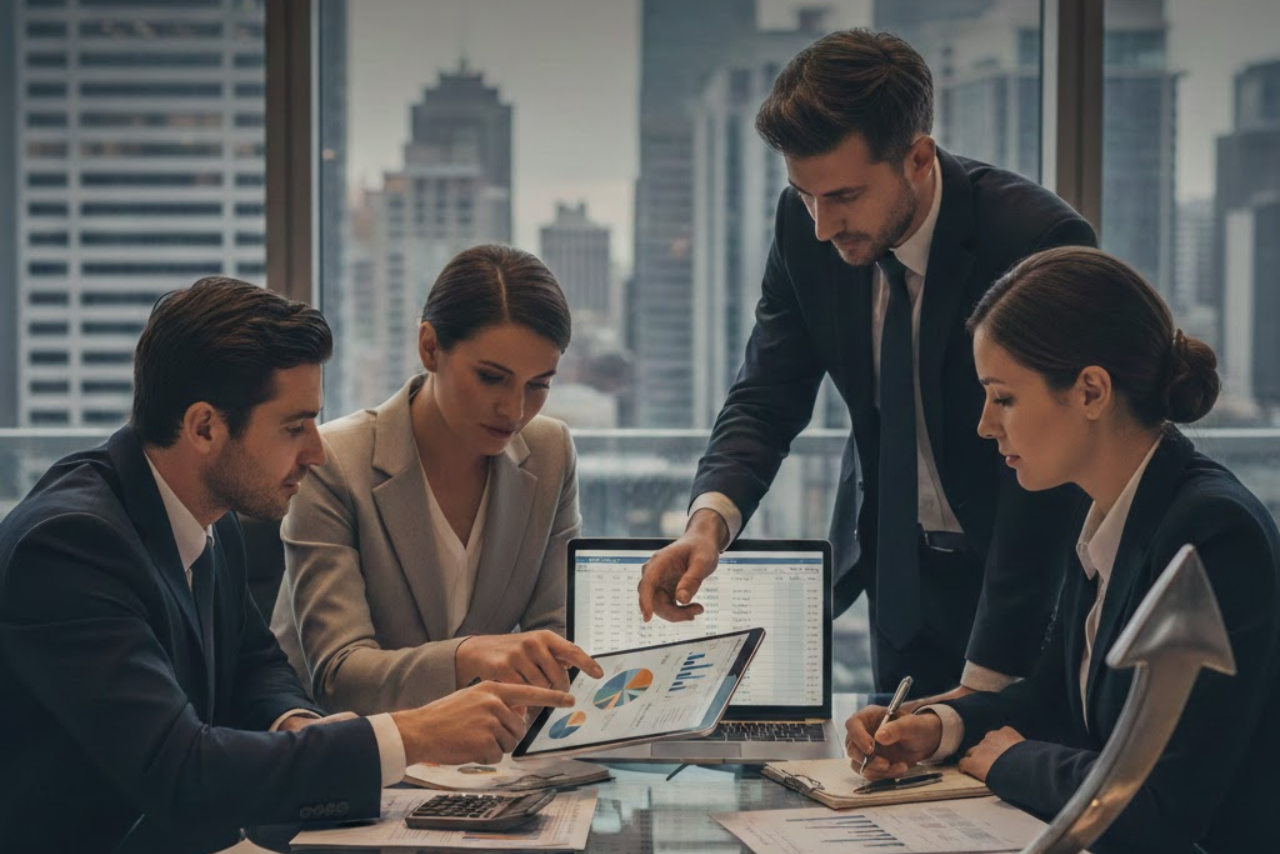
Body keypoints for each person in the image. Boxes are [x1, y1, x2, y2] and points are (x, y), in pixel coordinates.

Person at [0, 278, 575, 854]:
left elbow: (255, 665)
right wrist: (414, 733)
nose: (317, 452)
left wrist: (297, 723)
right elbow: (182, 773)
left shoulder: (204, 512)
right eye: (294, 426)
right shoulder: (71, 546)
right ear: (205, 427)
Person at [637, 28, 1097, 697]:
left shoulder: (1035, 240)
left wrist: (979, 691)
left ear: (916, 158)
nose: (823, 225)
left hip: (1029, 578)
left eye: (845, 197)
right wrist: (708, 526)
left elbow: (1054, 483)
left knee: (1006, 778)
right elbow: (767, 394)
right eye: (806, 194)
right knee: (902, 785)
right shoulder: (804, 229)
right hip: (899, 578)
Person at [845, 247, 1280, 854]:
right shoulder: (1112, 508)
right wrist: (939, 729)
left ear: (1091, 392)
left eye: (1004, 398)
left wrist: (1013, 762)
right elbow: (1057, 695)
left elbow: (1160, 802)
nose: (985, 425)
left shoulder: (1210, 531)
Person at [272, 245, 602, 715]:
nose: (514, 411)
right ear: (429, 347)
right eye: (491, 378)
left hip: (486, 764)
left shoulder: (550, 453)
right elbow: (341, 676)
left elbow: (557, 643)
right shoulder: (334, 462)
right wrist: (468, 656)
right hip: (353, 758)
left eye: (539, 384)